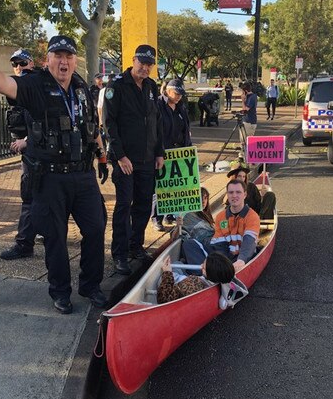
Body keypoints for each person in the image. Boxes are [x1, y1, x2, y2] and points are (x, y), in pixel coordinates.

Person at [0, 34, 110, 312]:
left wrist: (102, 156)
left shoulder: (82, 87)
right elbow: (5, 83)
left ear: (75, 61)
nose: (64, 62)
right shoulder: (35, 84)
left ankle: (90, 286)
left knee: (95, 230)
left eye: (69, 57)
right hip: (49, 179)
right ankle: (60, 291)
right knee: (55, 238)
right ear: (47, 60)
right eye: (58, 56)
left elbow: (91, 127)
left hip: (83, 176)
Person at [104, 44, 164, 275]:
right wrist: (120, 156)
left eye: (149, 64)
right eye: (142, 63)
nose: (145, 68)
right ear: (133, 60)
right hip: (125, 161)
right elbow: (109, 124)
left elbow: (156, 122)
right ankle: (119, 253)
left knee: (142, 206)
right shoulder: (117, 86)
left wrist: (159, 152)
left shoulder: (151, 86)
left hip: (147, 159)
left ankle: (135, 246)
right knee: (123, 206)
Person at [0, 48, 40, 261]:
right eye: (15, 64)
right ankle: (39, 232)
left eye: (23, 63)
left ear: (31, 63)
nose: (19, 67)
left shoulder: (37, 85)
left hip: (38, 152)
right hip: (32, 153)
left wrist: (27, 141)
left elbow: (46, 121)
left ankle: (24, 243)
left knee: (30, 198)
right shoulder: (20, 88)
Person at [183, 179, 259, 273]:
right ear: (227, 195)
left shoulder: (252, 216)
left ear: (245, 195)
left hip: (242, 257)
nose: (234, 195)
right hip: (226, 258)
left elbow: (249, 241)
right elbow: (219, 245)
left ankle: (210, 273)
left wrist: (241, 260)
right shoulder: (220, 216)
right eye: (231, 192)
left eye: (238, 192)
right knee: (188, 244)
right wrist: (221, 264)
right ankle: (203, 275)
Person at [151, 78, 191, 231]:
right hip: (163, 151)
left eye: (181, 94)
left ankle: (170, 214)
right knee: (161, 186)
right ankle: (156, 217)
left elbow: (185, 129)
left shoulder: (181, 107)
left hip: (179, 152)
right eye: (176, 93)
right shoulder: (159, 105)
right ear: (167, 91)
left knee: (175, 185)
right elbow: (156, 131)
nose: (179, 96)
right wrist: (157, 152)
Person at [157, 252, 234, 304]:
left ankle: (180, 263)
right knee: (179, 264)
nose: (201, 265)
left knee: (177, 264)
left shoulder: (192, 284)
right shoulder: (223, 279)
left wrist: (167, 273)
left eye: (203, 267)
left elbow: (163, 300)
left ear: (209, 273)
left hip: (169, 285)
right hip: (187, 283)